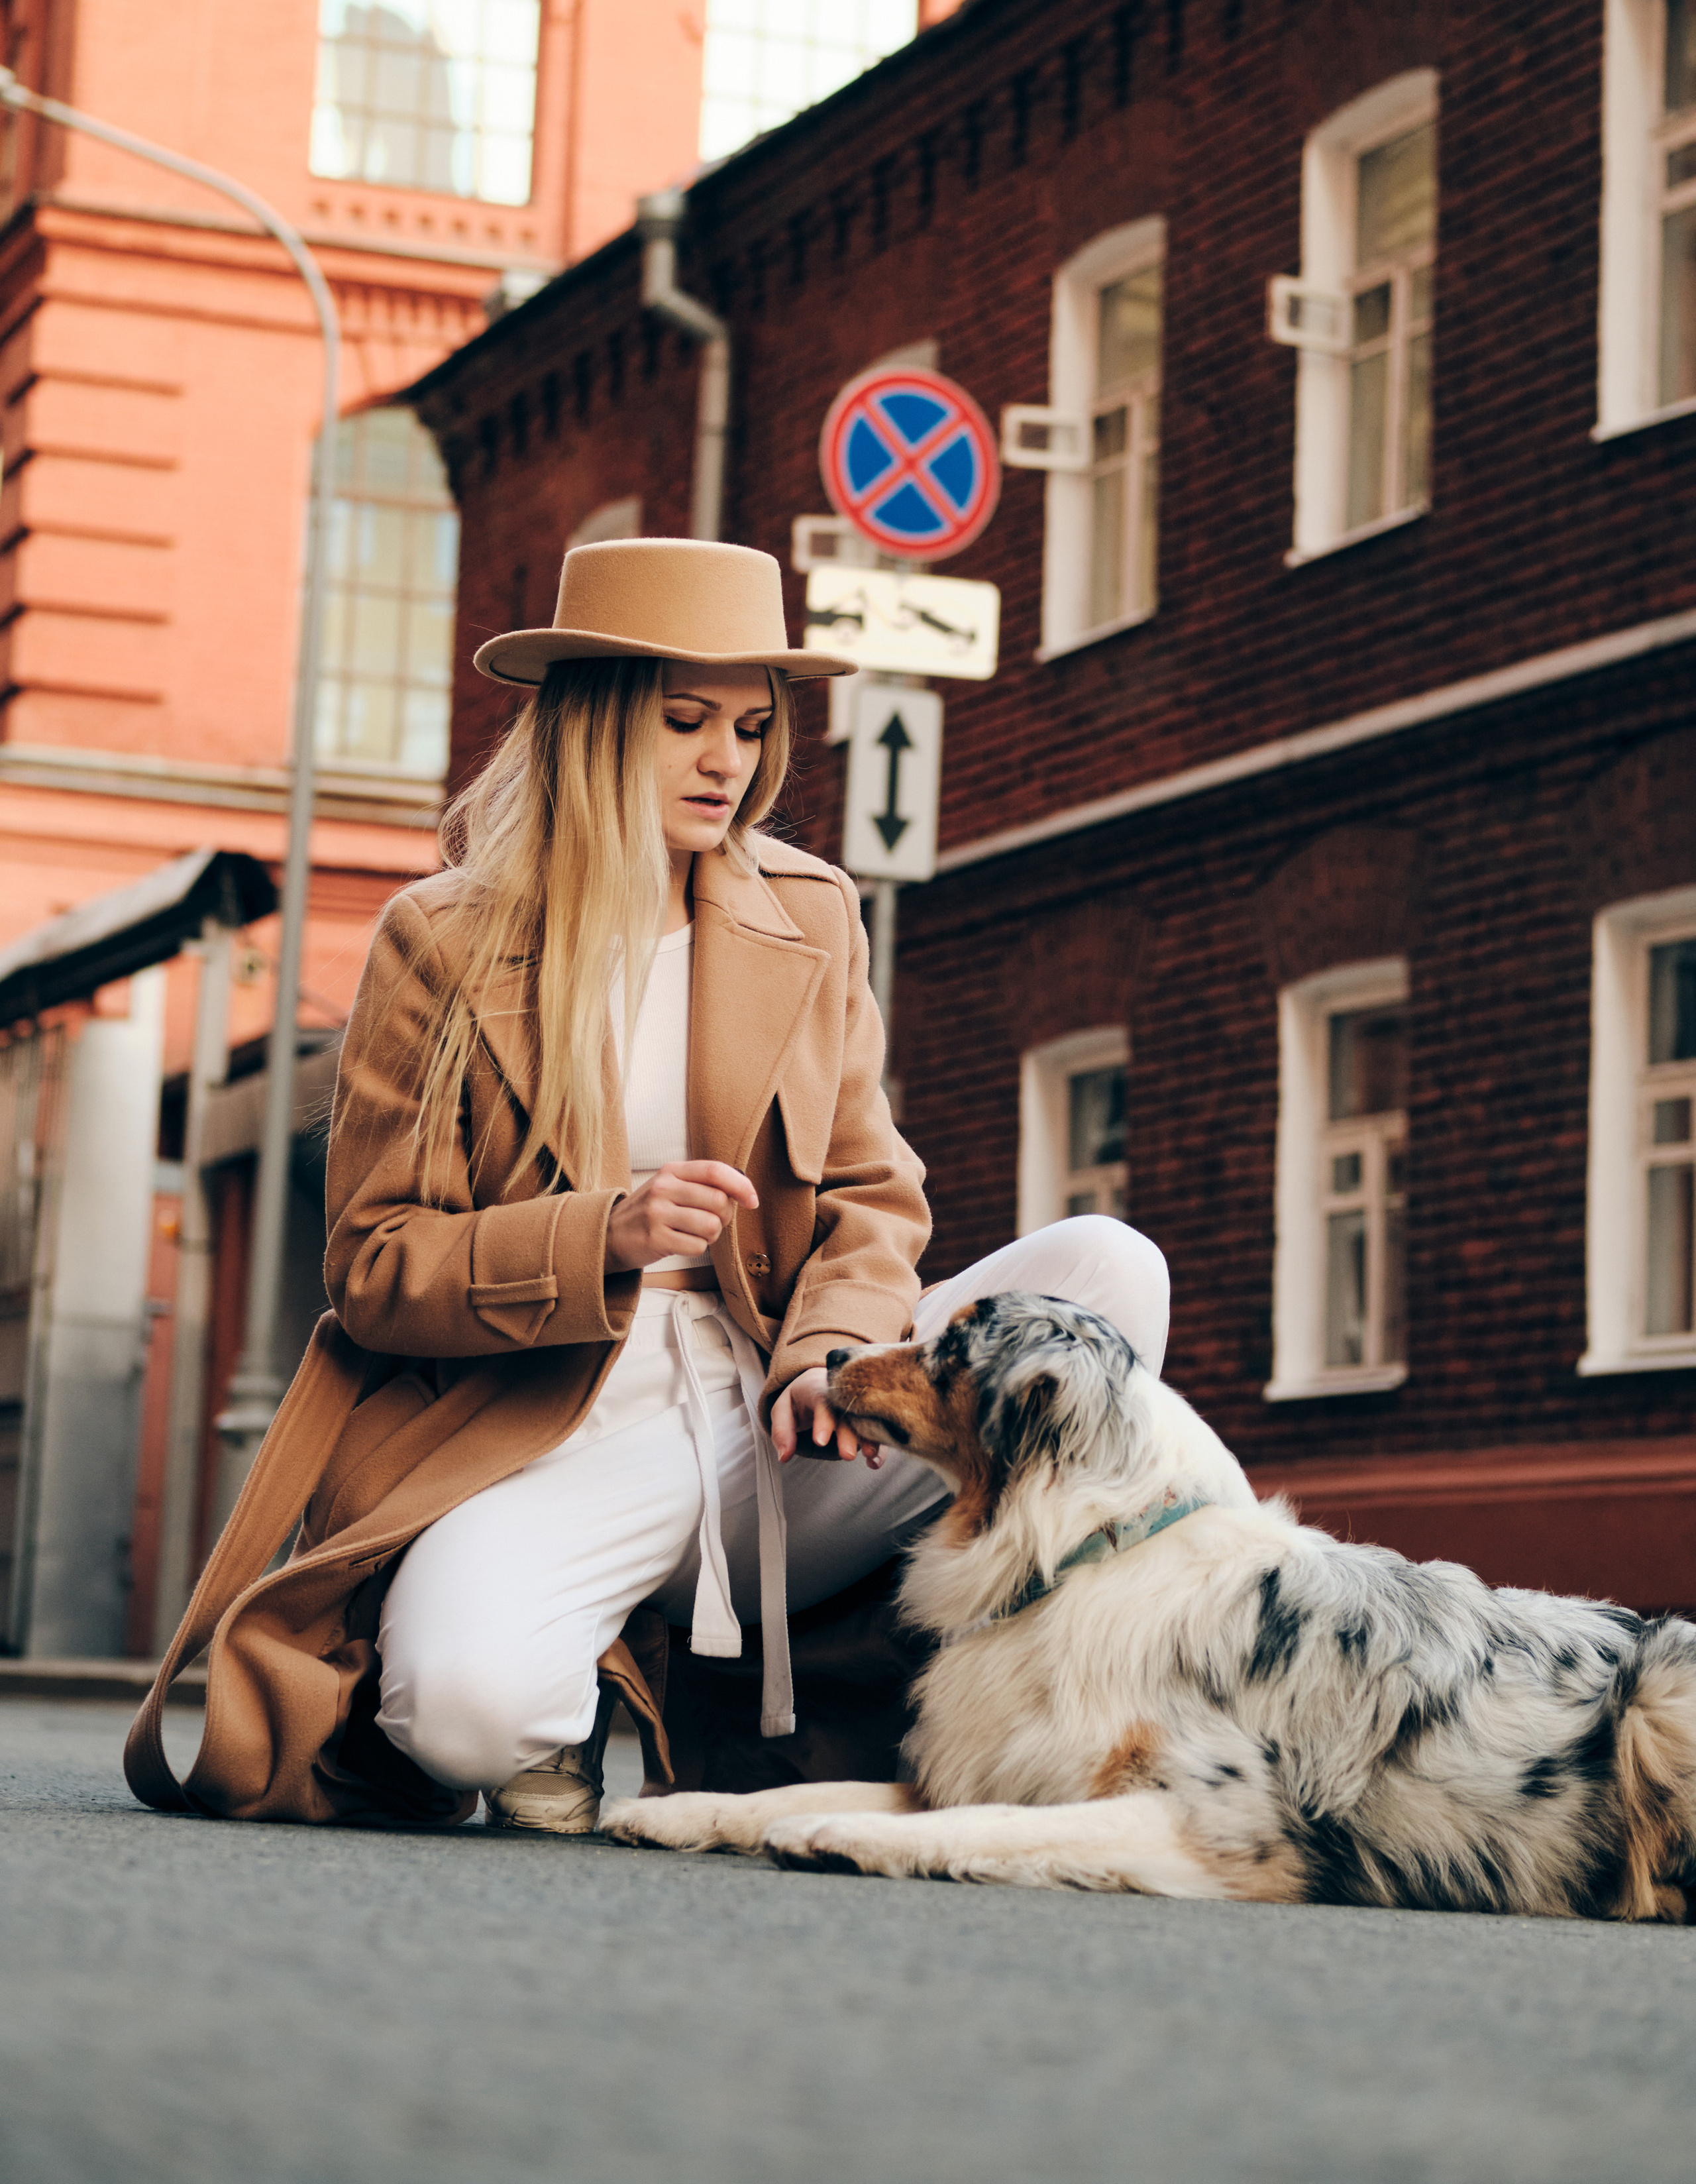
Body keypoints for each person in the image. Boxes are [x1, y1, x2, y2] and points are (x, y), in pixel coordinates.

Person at [125, 537, 1168, 1833]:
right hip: (546, 1427)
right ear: (593, 725)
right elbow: (374, 1266)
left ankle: (1054, 1695)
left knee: (1105, 1274)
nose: (725, 760)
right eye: (683, 723)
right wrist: (596, 1234)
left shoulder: (812, 912)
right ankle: (597, 1663)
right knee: (465, 1719)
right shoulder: (439, 940)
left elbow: (869, 1196)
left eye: (746, 723)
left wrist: (829, 1355)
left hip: (774, 1439)